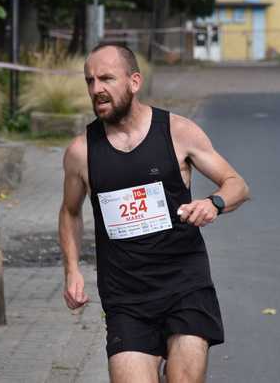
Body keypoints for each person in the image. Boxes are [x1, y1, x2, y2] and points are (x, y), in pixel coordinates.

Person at [58, 43, 250, 383]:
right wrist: (72, 269)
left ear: (134, 81)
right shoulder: (81, 152)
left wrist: (213, 203)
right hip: (126, 297)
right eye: (89, 81)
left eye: (106, 79)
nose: (96, 89)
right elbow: (70, 211)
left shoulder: (177, 132)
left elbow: (236, 184)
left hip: (185, 284)